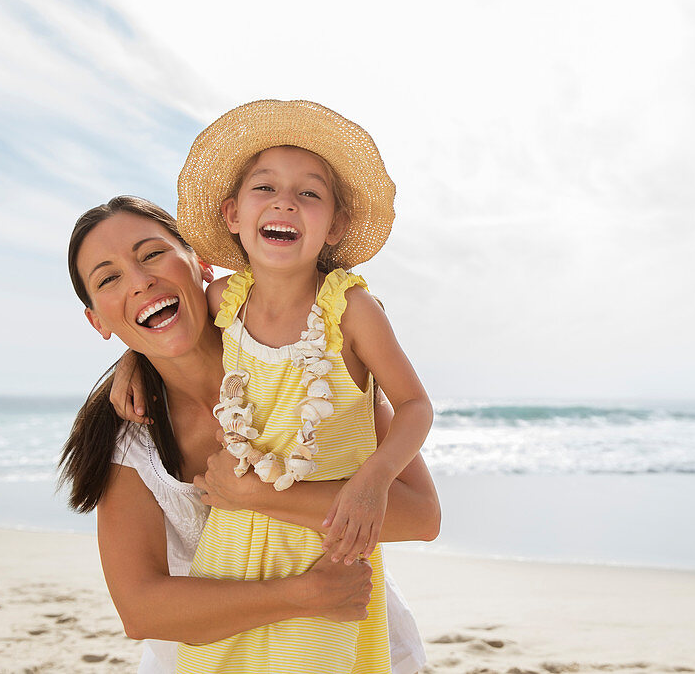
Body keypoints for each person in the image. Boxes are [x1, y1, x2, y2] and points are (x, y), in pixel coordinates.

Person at [61, 196, 439, 674]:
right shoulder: (131, 440)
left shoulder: (311, 356)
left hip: (344, 644)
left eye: (152, 254)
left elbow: (421, 517)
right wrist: (299, 596)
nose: (140, 281)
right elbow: (141, 609)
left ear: (201, 265)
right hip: (217, 657)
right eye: (109, 278)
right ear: (98, 321)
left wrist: (255, 496)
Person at [167, 99, 432, 673]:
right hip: (232, 548)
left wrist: (373, 480)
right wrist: (126, 373)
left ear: (333, 226)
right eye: (265, 188)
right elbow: (167, 339)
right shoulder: (223, 302)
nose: (286, 201)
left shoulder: (352, 312)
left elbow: (414, 406)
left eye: (309, 193)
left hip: (323, 548)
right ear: (233, 214)